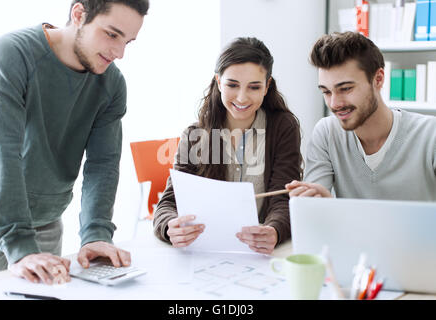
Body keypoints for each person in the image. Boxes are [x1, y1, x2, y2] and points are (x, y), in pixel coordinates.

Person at [0, 0, 149, 284]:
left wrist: (96, 234)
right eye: (111, 34)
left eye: (128, 42)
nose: (119, 53)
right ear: (79, 14)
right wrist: (20, 247)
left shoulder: (112, 85)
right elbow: (3, 152)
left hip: (47, 221)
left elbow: (102, 165)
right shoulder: (12, 54)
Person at [153, 37, 302, 255]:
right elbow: (168, 204)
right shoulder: (195, 135)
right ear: (218, 81)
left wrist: (274, 231)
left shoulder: (282, 127)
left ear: (267, 86)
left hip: (260, 254)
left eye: (254, 87)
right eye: (232, 85)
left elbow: (282, 198)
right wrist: (170, 227)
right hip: (206, 251)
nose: (242, 97)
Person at [286, 31, 436, 200]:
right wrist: (321, 204)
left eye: (346, 89)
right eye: (326, 92)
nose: (334, 104)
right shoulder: (327, 133)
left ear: (378, 79)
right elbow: (315, 210)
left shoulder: (430, 135)